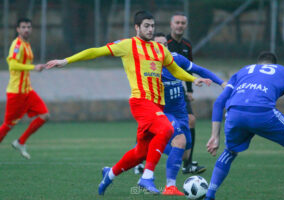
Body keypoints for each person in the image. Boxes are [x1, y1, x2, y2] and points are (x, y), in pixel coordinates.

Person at [46, 11, 210, 195]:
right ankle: (147, 177)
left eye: (152, 26)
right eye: (146, 26)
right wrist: (66, 60)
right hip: (141, 102)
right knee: (167, 129)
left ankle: (109, 174)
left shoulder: (160, 49)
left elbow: (175, 69)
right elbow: (95, 51)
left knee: (140, 152)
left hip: (157, 105)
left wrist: (193, 79)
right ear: (137, 27)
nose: (150, 29)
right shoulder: (128, 45)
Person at [204, 52, 284, 200]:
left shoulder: (242, 71)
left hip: (235, 113)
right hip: (262, 112)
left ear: (258, 63)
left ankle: (210, 194)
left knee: (229, 151)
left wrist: (214, 136)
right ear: (274, 64)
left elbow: (219, 103)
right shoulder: (283, 71)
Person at [153, 33, 226, 196]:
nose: (162, 47)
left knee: (185, 152)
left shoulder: (176, 59)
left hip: (180, 111)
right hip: (163, 112)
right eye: (158, 44)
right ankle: (170, 186)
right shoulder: (148, 65)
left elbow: (199, 69)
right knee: (180, 142)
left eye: (164, 44)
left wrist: (221, 82)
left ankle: (148, 147)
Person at [0, 18, 49, 159]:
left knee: (45, 115)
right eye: (23, 27)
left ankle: (21, 142)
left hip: (27, 90)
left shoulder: (27, 44)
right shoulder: (17, 45)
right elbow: (13, 65)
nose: (26, 29)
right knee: (8, 126)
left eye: (28, 27)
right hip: (16, 92)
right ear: (18, 29)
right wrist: (33, 67)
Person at [167, 12, 203, 173]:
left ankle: (187, 164)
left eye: (183, 23)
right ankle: (140, 160)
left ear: (186, 25)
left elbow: (189, 68)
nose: (180, 25)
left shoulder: (187, 45)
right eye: (177, 23)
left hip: (180, 88)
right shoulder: (165, 43)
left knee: (191, 120)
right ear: (171, 25)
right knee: (152, 124)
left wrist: (189, 90)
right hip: (163, 88)